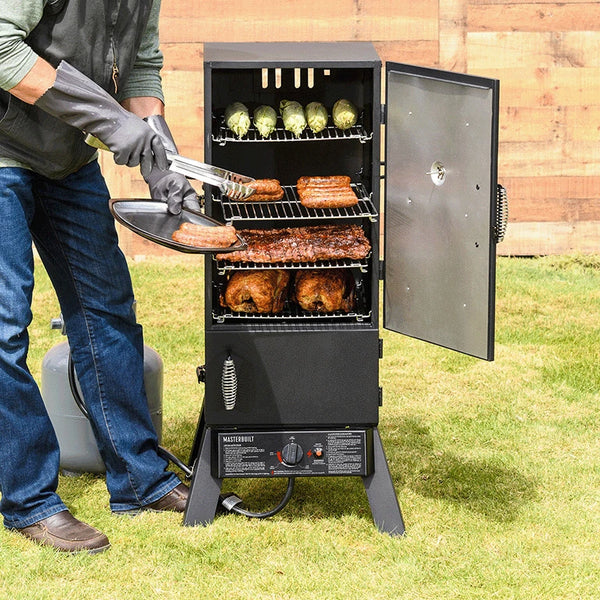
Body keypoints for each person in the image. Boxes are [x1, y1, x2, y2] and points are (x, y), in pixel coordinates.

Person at [0, 0, 198, 554]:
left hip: (66, 156)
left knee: (106, 309)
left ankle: (139, 479)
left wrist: (159, 147)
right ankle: (30, 501)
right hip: (2, 151)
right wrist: (111, 122)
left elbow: (140, 63)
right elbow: (1, 47)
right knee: (4, 329)